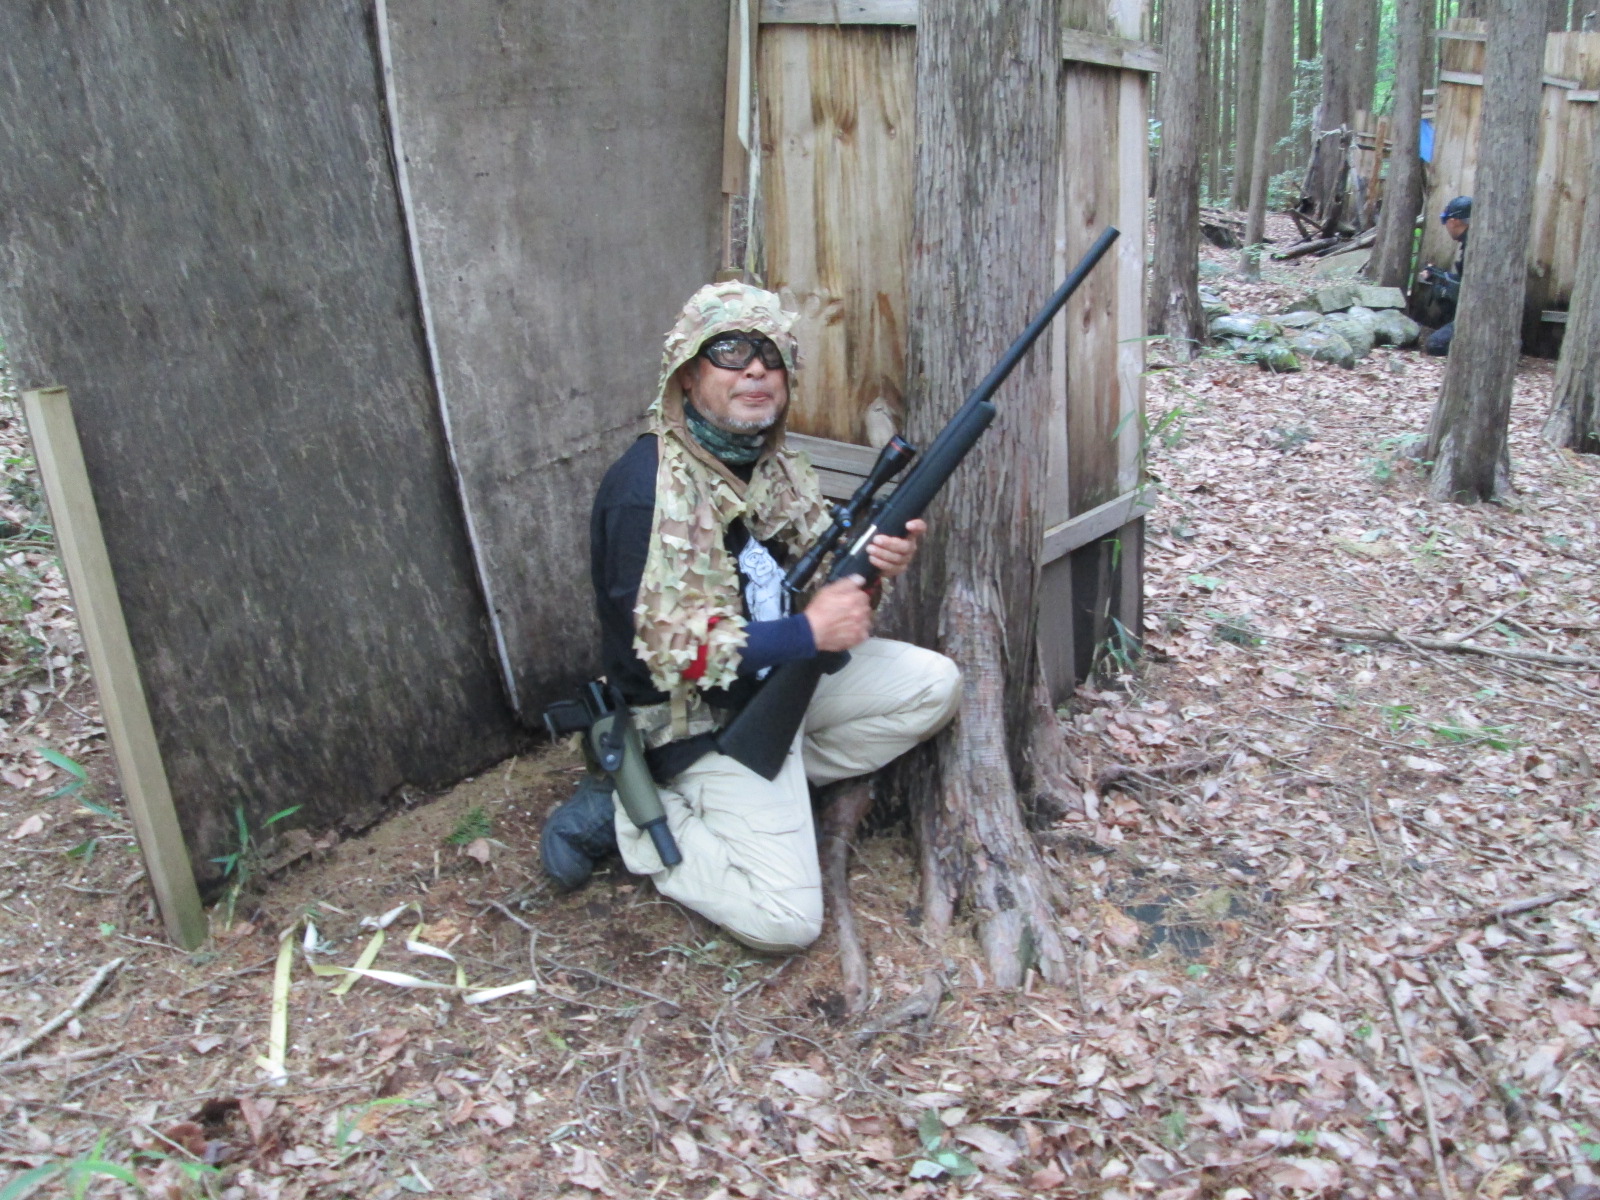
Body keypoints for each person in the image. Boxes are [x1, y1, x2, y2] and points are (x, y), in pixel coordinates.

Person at [541, 282, 961, 953]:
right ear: (687, 375)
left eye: (770, 354)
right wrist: (807, 632)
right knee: (786, 920)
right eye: (730, 352)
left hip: (777, 691)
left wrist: (876, 568)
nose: (756, 369)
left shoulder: (774, 466)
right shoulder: (645, 491)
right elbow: (667, 651)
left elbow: (828, 587)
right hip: (690, 723)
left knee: (936, 687)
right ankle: (633, 811)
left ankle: (768, 784)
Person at [1419, 195, 1471, 356]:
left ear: (1454, 221)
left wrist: (1440, 281)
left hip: (1480, 318)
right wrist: (1436, 274)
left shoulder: (1473, 245)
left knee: (1435, 344)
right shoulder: (1472, 241)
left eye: (1444, 220)